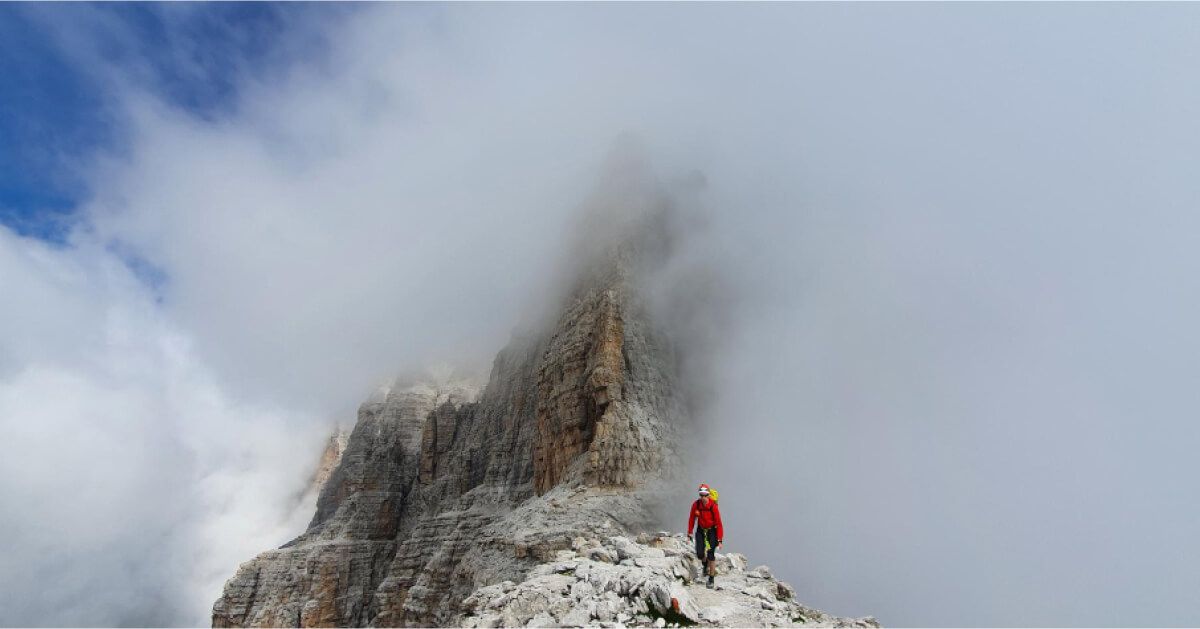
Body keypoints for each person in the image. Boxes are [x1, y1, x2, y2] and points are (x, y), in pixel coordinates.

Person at [686, 483, 723, 588]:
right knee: (700, 554)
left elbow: (719, 524)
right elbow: (692, 519)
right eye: (701, 495)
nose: (703, 497)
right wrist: (689, 532)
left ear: (708, 495)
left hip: (712, 531)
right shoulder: (696, 505)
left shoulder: (713, 507)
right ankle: (705, 564)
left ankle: (711, 579)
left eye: (705, 495)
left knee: (711, 554)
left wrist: (720, 539)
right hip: (701, 530)